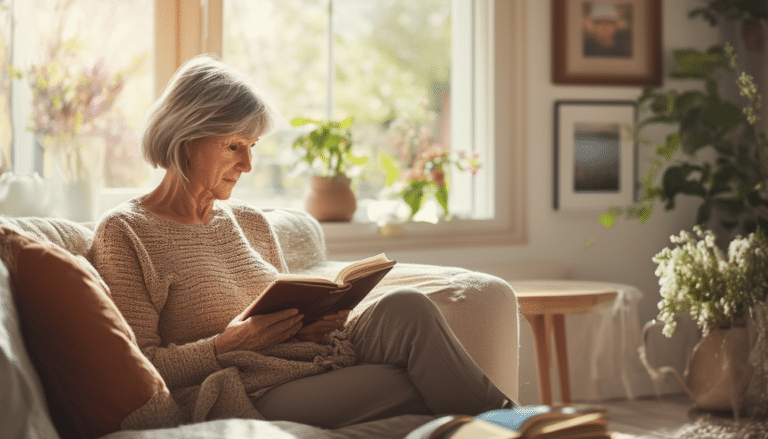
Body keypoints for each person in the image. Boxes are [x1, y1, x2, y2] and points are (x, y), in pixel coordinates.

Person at [91, 54, 511, 428]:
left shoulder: (250, 221)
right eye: (235, 145)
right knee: (422, 379)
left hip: (308, 360)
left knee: (407, 306)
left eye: (252, 146)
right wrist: (225, 346)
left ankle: (516, 422)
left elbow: (284, 310)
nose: (249, 164)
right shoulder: (126, 232)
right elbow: (138, 367)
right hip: (247, 389)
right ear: (186, 138)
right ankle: (522, 426)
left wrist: (311, 326)